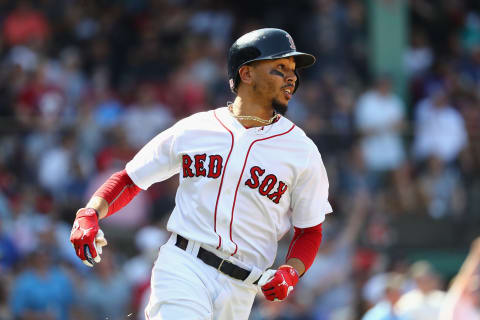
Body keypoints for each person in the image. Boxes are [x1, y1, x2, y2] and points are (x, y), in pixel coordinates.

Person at [70, 28, 332, 320]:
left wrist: (290, 272)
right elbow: (130, 179)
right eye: (280, 68)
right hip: (184, 265)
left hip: (242, 288)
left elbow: (310, 230)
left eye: (293, 70)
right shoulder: (196, 128)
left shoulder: (302, 150)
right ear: (247, 74)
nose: (292, 77)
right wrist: (90, 213)